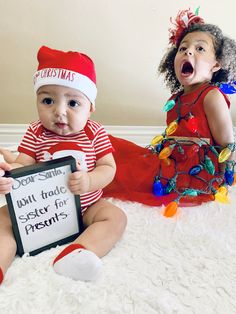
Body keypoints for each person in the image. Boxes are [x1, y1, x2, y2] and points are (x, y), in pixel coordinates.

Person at [0, 46, 127, 284]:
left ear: (90, 108)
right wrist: (9, 177)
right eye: (48, 100)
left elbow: (108, 168)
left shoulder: (94, 132)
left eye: (73, 103)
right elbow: (23, 165)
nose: (59, 112)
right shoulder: (35, 132)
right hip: (41, 210)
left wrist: (90, 181)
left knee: (116, 218)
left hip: (87, 206)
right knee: (4, 218)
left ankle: (78, 252)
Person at [103, 8, 236, 213]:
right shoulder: (175, 99)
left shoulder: (211, 96)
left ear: (216, 65)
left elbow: (228, 145)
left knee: (126, 169)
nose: (188, 51)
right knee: (110, 145)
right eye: (182, 48)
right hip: (169, 161)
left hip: (194, 174)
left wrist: (227, 179)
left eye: (200, 49)